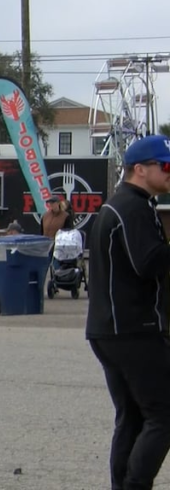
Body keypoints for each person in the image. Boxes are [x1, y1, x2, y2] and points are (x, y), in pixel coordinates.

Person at [87, 135, 170, 490]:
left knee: (132, 417)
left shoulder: (116, 205)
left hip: (108, 329)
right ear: (140, 169)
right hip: (134, 328)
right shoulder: (133, 207)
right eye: (165, 166)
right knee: (164, 414)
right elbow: (148, 263)